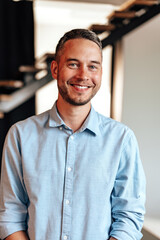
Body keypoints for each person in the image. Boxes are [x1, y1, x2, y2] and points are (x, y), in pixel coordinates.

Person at [0, 29, 145, 240]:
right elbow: (10, 213)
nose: (83, 75)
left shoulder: (122, 139)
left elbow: (129, 217)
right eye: (73, 64)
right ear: (55, 69)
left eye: (92, 66)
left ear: (100, 73)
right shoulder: (20, 136)